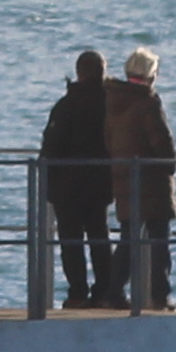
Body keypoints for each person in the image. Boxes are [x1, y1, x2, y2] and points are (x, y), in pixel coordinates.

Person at [39, 48, 120, 309]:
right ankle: (104, 291)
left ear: (79, 73)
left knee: (71, 242)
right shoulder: (110, 105)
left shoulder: (67, 106)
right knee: (100, 237)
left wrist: (48, 181)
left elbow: (51, 147)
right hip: (100, 184)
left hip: (68, 187)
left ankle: (77, 293)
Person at [100, 45, 176, 310]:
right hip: (151, 183)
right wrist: (170, 164)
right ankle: (159, 297)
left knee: (127, 241)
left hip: (123, 179)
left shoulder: (113, 101)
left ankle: (113, 292)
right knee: (159, 244)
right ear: (151, 75)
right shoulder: (148, 103)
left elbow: (110, 141)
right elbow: (163, 146)